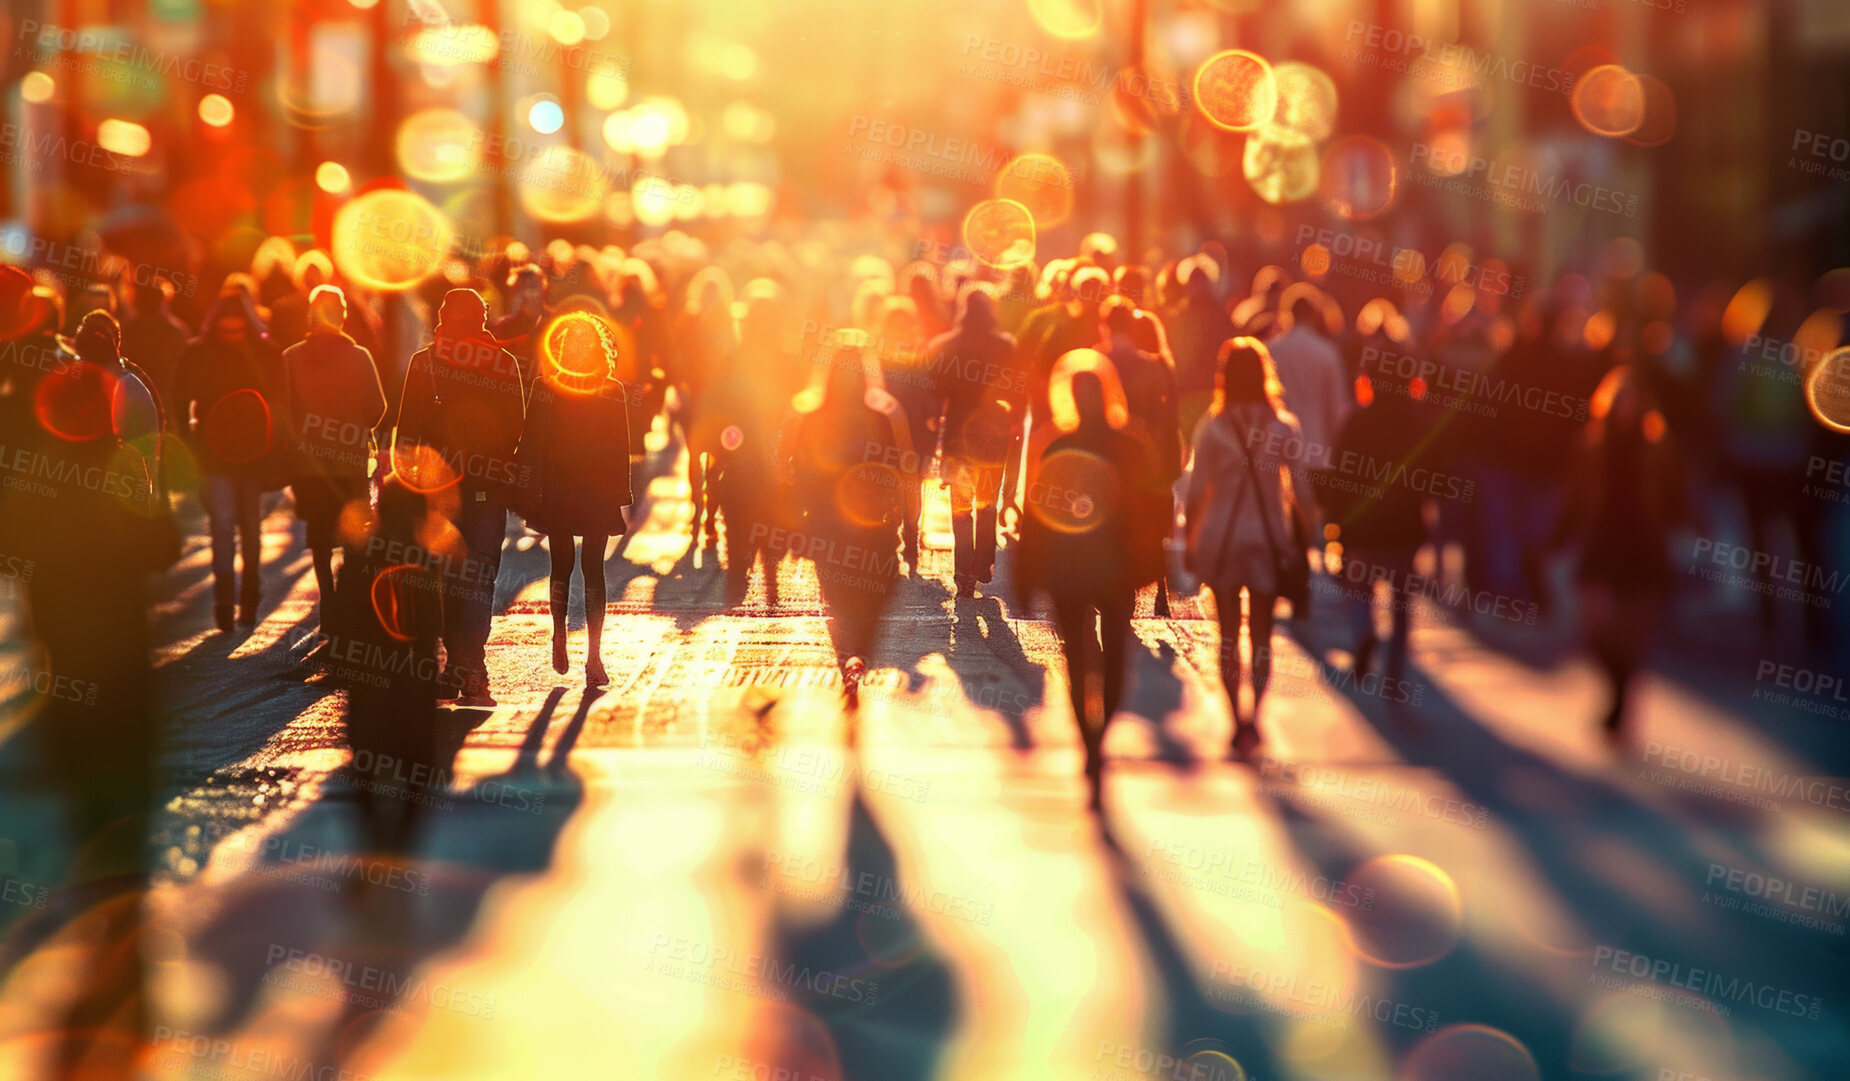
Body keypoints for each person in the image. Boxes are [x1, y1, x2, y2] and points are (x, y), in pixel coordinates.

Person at [1016, 355, 1165, 811]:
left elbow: (1035, 517)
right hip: (1112, 567)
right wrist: (1153, 563)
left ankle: (1090, 740)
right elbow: (1152, 511)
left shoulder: (1057, 444)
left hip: (1071, 568)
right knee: (1112, 652)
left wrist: (1027, 574)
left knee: (1078, 657)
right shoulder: (1129, 444)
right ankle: (1097, 737)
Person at [393, 288, 528, 707]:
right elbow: (518, 428)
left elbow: (407, 433)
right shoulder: (503, 363)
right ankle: (471, 670)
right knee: (479, 577)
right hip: (486, 488)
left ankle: (455, 668)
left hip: (436, 492)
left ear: (443, 317)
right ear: (483, 319)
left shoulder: (424, 363)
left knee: (443, 579)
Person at [1184, 338, 1314, 758]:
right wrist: (1305, 539)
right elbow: (1303, 492)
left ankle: (1232, 716)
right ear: (1264, 376)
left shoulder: (1213, 426)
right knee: (1260, 634)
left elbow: (1195, 489)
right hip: (1266, 539)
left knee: (1225, 634)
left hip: (1219, 538)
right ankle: (1254, 715)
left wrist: (1189, 537)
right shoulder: (1282, 426)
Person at [781, 336, 914, 718]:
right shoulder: (873, 415)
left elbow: (795, 476)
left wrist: (797, 522)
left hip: (844, 528)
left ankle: (853, 658)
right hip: (855, 529)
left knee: (851, 600)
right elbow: (902, 472)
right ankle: (855, 659)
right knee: (853, 601)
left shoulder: (869, 416)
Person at [1555, 366, 1687, 740]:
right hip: (1601, 542)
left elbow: (1676, 496)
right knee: (1594, 630)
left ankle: (1620, 700)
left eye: (1632, 398)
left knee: (1631, 632)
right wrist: (1558, 537)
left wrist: (1683, 526)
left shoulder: (1659, 446)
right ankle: (1616, 689)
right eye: (1619, 398)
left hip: (1642, 544)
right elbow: (1575, 497)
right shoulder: (1591, 444)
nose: (1625, 407)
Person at [519, 314, 633, 687]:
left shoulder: (545, 386)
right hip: (593, 491)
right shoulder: (610, 388)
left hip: (561, 490)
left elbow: (530, 444)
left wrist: (526, 491)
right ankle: (594, 656)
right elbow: (620, 449)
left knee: (563, 567)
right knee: (591, 571)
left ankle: (562, 636)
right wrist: (620, 496)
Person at [174, 290, 287, 631]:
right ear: (215, 328)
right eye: (226, 331)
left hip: (254, 453)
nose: (233, 337)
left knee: (249, 525)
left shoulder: (266, 353)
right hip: (214, 455)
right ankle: (225, 599)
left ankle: (249, 595)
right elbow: (181, 399)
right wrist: (190, 445)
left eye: (238, 330)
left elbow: (282, 404)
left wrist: (277, 444)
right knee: (223, 525)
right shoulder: (198, 353)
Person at [1332, 338, 1439, 687]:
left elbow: (1338, 475)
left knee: (1360, 590)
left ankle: (1363, 634)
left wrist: (1336, 520)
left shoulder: (1356, 421)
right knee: (1401, 601)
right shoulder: (1418, 424)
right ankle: (1394, 670)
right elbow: (1432, 477)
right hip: (1405, 528)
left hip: (1365, 527)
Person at [279, 284, 386, 630]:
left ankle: (328, 602)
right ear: (341, 315)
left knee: (320, 536)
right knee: (354, 534)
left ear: (312, 315)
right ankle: (350, 603)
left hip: (309, 466)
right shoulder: (360, 357)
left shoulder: (291, 358)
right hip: (349, 463)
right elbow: (377, 409)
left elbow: (284, 412)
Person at [927, 286, 1020, 597]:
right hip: (993, 432)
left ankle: (963, 573)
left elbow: (936, 390)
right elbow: (1016, 389)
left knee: (961, 506)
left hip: (958, 434)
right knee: (988, 502)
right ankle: (984, 562)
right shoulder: (1005, 345)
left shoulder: (947, 345)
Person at [1104, 299, 1183, 617]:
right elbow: (1168, 419)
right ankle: (1151, 583)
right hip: (1150, 462)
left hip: (1118, 461)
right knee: (1149, 524)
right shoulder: (1157, 366)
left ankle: (1120, 586)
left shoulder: (1105, 362)